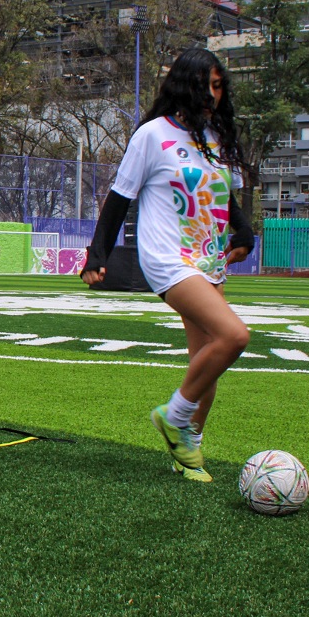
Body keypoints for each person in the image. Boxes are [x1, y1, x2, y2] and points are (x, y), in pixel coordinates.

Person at [80, 47, 254, 483]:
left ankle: (187, 452)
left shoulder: (215, 137)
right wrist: (96, 255)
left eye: (218, 86)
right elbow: (120, 197)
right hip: (168, 258)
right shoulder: (153, 135)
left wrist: (245, 233)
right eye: (205, 86)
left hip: (209, 258)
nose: (212, 95)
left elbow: (224, 195)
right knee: (234, 336)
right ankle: (173, 417)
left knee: (206, 357)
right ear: (184, 85)